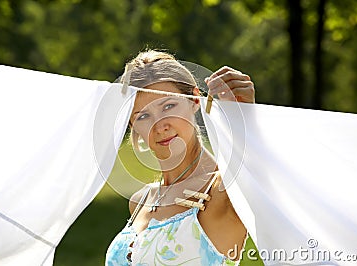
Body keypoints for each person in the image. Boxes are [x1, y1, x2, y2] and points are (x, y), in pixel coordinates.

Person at [105, 50, 260, 265]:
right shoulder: (140, 201)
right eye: (143, 116)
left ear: (195, 100)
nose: (160, 126)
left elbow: (266, 179)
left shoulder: (222, 191)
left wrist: (245, 119)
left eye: (169, 106)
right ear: (132, 125)